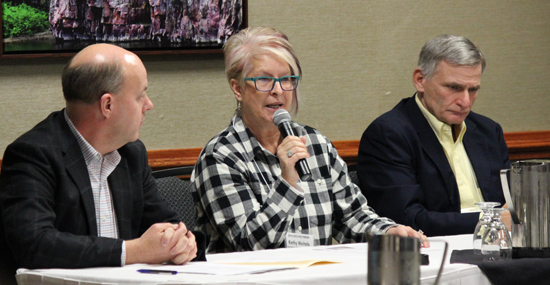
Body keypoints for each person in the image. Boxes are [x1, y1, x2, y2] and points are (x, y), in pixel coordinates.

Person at [191, 27, 427, 254]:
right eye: (264, 80)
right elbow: (249, 243)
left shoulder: (316, 145)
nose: (278, 90)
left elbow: (352, 217)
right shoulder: (220, 157)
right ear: (238, 89)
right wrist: (287, 181)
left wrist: (389, 232)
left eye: (287, 79)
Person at [0, 44, 202, 285]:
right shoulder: (34, 154)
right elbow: (36, 244)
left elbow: (166, 225)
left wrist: (182, 242)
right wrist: (134, 251)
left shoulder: (131, 154)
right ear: (108, 105)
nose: (149, 105)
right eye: (140, 96)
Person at [357, 34, 510, 236]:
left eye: (473, 89)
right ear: (420, 80)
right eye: (453, 87)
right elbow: (407, 220)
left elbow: (511, 203)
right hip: (433, 253)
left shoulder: (488, 131)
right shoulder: (388, 134)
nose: (465, 101)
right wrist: (491, 220)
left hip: (499, 247)